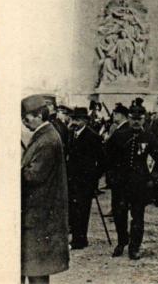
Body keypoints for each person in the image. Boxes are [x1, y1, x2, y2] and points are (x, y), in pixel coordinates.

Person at [104, 104, 158, 260]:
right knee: (119, 214)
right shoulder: (119, 135)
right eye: (133, 119)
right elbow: (108, 157)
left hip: (140, 183)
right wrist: (110, 175)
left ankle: (134, 247)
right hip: (120, 182)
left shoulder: (150, 137)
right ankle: (122, 241)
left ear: (144, 119)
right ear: (129, 118)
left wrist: (154, 178)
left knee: (138, 216)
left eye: (140, 119)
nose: (136, 122)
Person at [21, 94, 70, 283]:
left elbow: (34, 175)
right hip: (40, 214)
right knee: (35, 269)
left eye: (28, 118)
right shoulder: (44, 135)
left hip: (40, 215)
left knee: (37, 272)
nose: (25, 122)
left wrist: (13, 171)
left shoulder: (47, 139)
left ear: (40, 115)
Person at [66, 107, 104, 250]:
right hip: (72, 179)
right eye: (73, 119)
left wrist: (94, 178)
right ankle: (76, 237)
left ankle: (80, 240)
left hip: (85, 181)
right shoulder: (72, 134)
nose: (73, 122)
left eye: (77, 119)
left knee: (82, 210)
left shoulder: (92, 136)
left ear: (84, 121)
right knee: (73, 209)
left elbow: (102, 161)